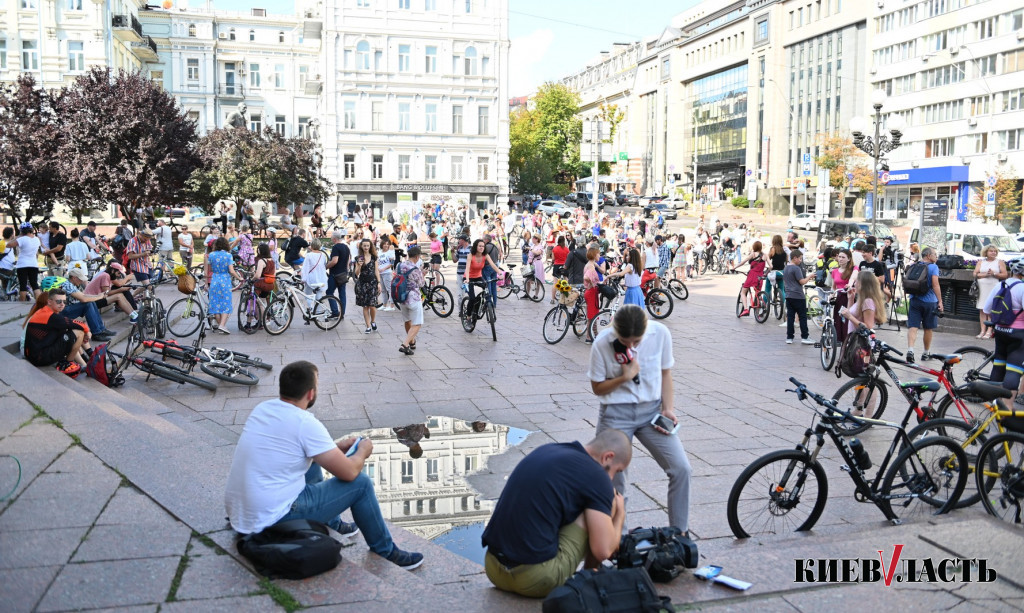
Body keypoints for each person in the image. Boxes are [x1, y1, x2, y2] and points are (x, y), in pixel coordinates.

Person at [225, 360, 424, 569]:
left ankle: (333, 523)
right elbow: (349, 473)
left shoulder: (263, 409)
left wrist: (335, 448)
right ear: (311, 393)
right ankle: (387, 551)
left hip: (242, 514)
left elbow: (295, 450)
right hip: (271, 520)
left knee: (311, 460)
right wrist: (362, 451)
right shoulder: (305, 423)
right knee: (361, 483)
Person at [481, 429, 630, 598]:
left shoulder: (549, 449)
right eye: (616, 471)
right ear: (607, 457)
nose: (611, 478)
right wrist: (620, 516)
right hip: (535, 579)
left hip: (493, 570)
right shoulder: (598, 478)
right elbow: (603, 551)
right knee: (606, 504)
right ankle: (587, 582)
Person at [587, 305, 690, 533]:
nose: (631, 346)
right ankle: (618, 541)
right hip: (615, 413)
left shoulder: (660, 333)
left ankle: (680, 534)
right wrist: (624, 377)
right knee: (615, 478)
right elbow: (597, 388)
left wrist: (668, 408)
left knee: (681, 468)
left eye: (637, 341)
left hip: (651, 412)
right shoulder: (602, 343)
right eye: (626, 341)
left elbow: (665, 374)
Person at [23, 287, 89, 376]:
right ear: (49, 302)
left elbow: (68, 323)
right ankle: (67, 364)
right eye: (58, 301)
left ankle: (76, 361)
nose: (62, 304)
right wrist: (87, 331)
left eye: (64, 302)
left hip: (35, 355)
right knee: (79, 332)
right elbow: (76, 323)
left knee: (67, 329)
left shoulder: (45, 312)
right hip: (39, 357)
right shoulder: (49, 316)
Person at [63, 263, 132, 338]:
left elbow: (83, 295)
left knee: (90, 302)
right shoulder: (68, 285)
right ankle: (97, 332)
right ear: (74, 278)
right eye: (80, 279)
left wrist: (96, 296)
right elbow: (83, 298)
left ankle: (101, 329)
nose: (82, 281)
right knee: (88, 304)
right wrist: (99, 297)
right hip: (64, 310)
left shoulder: (73, 284)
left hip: (70, 307)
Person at [906, 247, 943, 364]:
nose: (936, 257)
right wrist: (940, 301)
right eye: (935, 254)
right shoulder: (933, 267)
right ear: (928, 255)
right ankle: (926, 353)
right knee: (928, 328)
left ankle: (910, 350)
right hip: (929, 302)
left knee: (913, 326)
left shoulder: (915, 265)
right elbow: (935, 285)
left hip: (914, 299)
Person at [205, 237, 242, 334]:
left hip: (215, 279)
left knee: (215, 303)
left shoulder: (211, 255)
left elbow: (211, 269)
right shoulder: (228, 255)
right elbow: (231, 271)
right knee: (225, 302)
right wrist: (239, 278)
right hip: (225, 280)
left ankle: (222, 325)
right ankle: (222, 325)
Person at [396, 245, 426, 355]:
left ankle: (412, 342)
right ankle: (405, 344)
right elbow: (421, 284)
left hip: (402, 297)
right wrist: (423, 274)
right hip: (413, 298)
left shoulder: (399, 265)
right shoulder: (415, 269)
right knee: (417, 324)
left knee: (407, 321)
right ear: (417, 257)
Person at [974, 245, 1007, 338]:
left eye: (995, 251)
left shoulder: (999, 262)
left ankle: (989, 330)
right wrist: (985, 274)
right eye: (991, 251)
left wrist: (994, 274)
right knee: (982, 309)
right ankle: (982, 330)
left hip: (993, 287)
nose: (993, 253)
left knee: (991, 308)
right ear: (986, 252)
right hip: (982, 288)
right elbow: (975, 273)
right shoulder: (981, 262)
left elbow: (1005, 275)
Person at [464, 239, 503, 316]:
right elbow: (467, 268)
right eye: (480, 246)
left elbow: (493, 265)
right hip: (469, 278)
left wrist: (500, 273)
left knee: (487, 291)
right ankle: (468, 317)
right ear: (476, 247)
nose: (481, 248)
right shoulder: (470, 255)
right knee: (472, 298)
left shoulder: (485, 255)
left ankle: (484, 305)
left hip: (478, 277)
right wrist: (467, 279)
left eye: (483, 246)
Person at [783, 250, 815, 345]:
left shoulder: (786, 268)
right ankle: (805, 336)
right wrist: (809, 276)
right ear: (795, 258)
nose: (801, 260)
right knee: (802, 317)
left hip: (789, 295)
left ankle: (789, 337)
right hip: (798, 296)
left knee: (790, 317)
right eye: (800, 258)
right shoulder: (796, 268)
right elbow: (802, 282)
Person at [354, 239, 382, 334]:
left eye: (367, 246)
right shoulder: (359, 258)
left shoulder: (374, 257)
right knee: (365, 306)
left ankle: (373, 321)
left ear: (370, 247)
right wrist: (359, 265)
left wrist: (379, 283)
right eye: (364, 245)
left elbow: (376, 271)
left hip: (372, 283)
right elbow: (356, 273)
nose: (366, 247)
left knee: (373, 305)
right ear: (361, 246)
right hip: (362, 283)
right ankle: (368, 326)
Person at [734, 240, 766, 317]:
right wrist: (766, 272)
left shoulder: (753, 254)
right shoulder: (765, 255)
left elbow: (743, 262)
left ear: (754, 247)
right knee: (757, 292)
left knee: (743, 292)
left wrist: (735, 267)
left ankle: (746, 309)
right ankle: (762, 307)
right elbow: (771, 266)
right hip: (760, 276)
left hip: (752, 275)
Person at [830, 249, 855, 344]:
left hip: (849, 296)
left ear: (849, 259)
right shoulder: (834, 271)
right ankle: (839, 339)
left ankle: (848, 339)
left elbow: (853, 278)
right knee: (838, 318)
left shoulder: (853, 269)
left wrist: (850, 284)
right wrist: (832, 294)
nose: (840, 259)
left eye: (843, 257)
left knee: (848, 319)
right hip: (839, 296)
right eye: (839, 257)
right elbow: (833, 287)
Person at [326, 229, 350, 320]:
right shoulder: (346, 247)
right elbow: (348, 260)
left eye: (332, 237)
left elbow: (334, 261)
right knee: (342, 294)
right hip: (343, 274)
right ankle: (342, 313)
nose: (331, 239)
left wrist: (326, 266)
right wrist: (346, 271)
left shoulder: (336, 247)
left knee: (329, 292)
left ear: (335, 239)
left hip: (335, 274)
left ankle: (335, 312)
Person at [300, 238, 329, 311]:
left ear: (311, 246)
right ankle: (318, 311)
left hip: (311, 278)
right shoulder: (322, 255)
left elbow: (305, 268)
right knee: (319, 295)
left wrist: (303, 279)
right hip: (320, 278)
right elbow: (324, 266)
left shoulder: (309, 255)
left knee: (308, 294)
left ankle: (311, 309)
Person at [378, 238, 396, 312]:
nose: (386, 245)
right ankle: (384, 304)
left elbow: (392, 263)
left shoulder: (390, 252)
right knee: (383, 290)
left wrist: (384, 268)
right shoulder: (379, 252)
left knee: (389, 289)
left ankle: (392, 305)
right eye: (385, 244)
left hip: (387, 272)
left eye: (387, 244)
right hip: (380, 273)